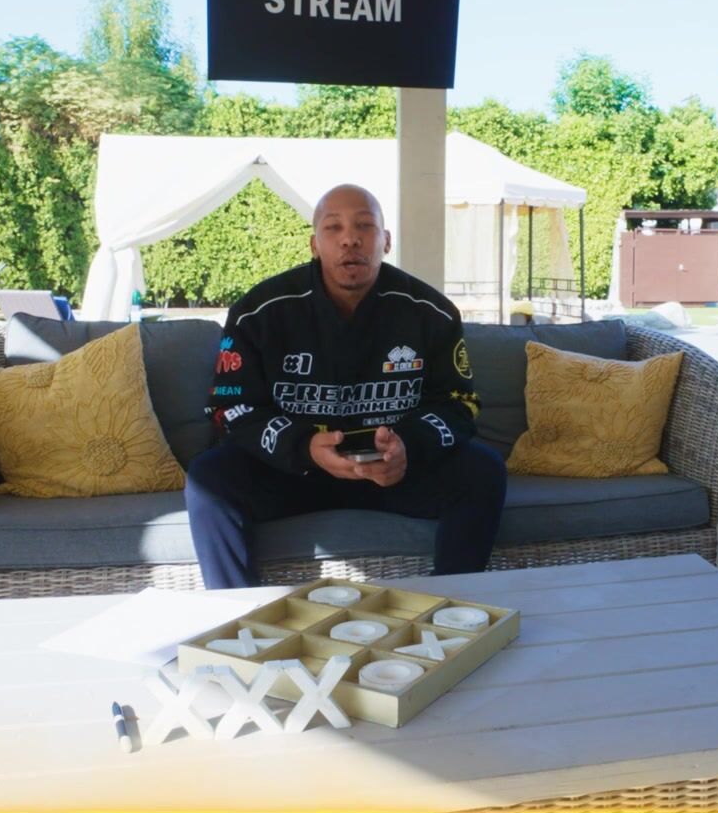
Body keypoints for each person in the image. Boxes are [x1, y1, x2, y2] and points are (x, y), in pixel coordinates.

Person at [185, 184, 506, 589]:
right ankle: (238, 613)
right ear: (314, 244)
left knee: (482, 470)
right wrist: (304, 448)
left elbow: (458, 404)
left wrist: (408, 447)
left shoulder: (432, 312)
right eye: (333, 227)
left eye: (365, 226)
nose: (350, 239)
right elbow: (232, 407)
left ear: (386, 241)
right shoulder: (258, 312)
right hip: (293, 470)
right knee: (209, 478)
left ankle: (453, 605)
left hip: (394, 471)